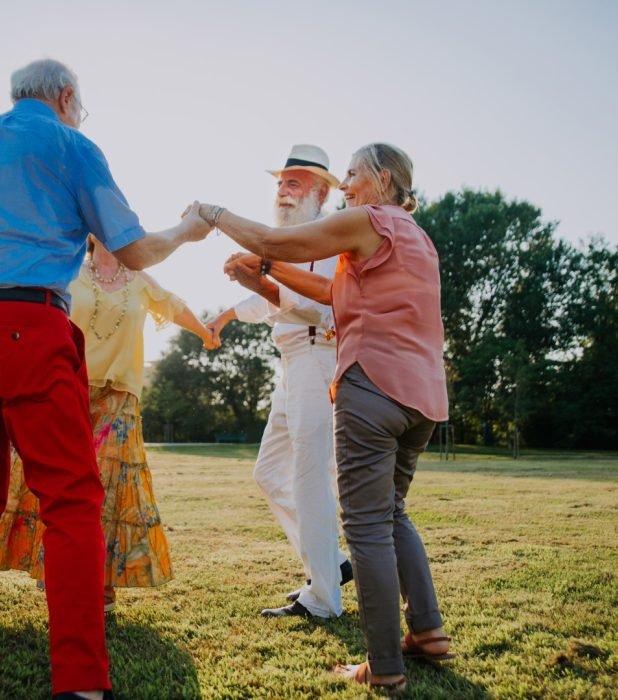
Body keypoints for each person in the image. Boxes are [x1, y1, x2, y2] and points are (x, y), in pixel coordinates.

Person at [0, 59, 211, 700]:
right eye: (79, 106)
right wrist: (187, 229)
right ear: (66, 97)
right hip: (24, 325)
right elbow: (133, 249)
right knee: (70, 501)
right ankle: (82, 681)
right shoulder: (70, 143)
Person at [188, 143, 452, 695]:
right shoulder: (415, 236)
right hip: (422, 396)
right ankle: (427, 632)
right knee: (393, 514)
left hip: (371, 385)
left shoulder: (365, 219)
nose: (348, 185)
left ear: (381, 179)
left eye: (352, 174)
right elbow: (332, 291)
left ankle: (382, 666)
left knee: (367, 530)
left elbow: (270, 241)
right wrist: (263, 277)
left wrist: (214, 216)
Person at [0, 235, 218, 612]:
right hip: (67, 389)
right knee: (60, 484)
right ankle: (58, 572)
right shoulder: (70, 272)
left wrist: (206, 334)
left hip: (119, 397)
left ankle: (103, 584)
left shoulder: (140, 278)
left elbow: (173, 307)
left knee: (108, 492)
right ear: (91, 232)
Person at [206, 145, 352, 619]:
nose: (283, 191)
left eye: (294, 183)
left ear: (321, 191)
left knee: (310, 478)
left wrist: (262, 268)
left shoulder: (330, 239)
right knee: (268, 474)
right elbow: (276, 301)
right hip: (291, 363)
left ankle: (324, 597)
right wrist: (243, 287)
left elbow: (325, 305)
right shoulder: (288, 241)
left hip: (319, 357)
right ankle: (332, 565)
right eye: (280, 183)